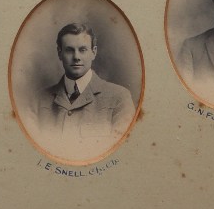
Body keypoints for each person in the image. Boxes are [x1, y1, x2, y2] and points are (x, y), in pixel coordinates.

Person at [32, 21, 136, 159]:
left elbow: (124, 156)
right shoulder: (39, 100)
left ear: (93, 53)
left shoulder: (119, 97)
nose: (76, 57)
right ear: (59, 53)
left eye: (83, 50)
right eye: (69, 50)